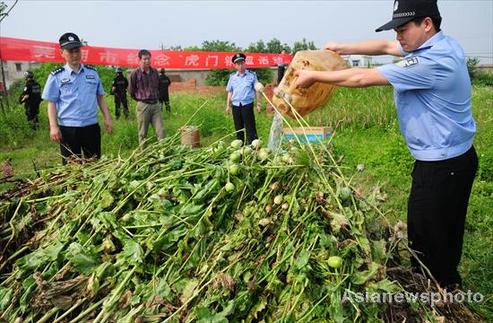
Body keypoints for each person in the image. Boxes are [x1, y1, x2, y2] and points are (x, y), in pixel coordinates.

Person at [296, 0, 478, 290]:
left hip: (441, 167)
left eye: (403, 29)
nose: (398, 37)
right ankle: (447, 283)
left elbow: (361, 77)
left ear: (426, 24)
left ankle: (434, 293)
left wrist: (314, 76)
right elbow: (383, 47)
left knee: (425, 237)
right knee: (446, 229)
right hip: (455, 159)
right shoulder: (442, 45)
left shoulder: (431, 62)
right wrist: (343, 47)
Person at [42, 32, 113, 164]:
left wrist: (107, 118)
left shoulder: (92, 73)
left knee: (94, 165)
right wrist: (53, 126)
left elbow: (100, 97)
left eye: (77, 51)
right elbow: (52, 103)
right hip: (68, 129)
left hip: (91, 126)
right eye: (70, 51)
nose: (75, 55)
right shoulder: (56, 76)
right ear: (62, 53)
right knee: (72, 168)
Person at [129, 49, 164, 145]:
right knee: (143, 133)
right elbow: (131, 91)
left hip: (156, 105)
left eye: (148, 59)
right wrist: (141, 100)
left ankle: (163, 154)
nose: (147, 61)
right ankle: (143, 155)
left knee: (161, 132)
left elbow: (159, 87)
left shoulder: (155, 72)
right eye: (144, 59)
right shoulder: (135, 74)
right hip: (143, 106)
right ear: (139, 60)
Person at [225, 53, 262, 145]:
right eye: (238, 64)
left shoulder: (252, 75)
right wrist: (227, 106)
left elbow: (257, 90)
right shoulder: (232, 77)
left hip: (247, 105)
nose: (240, 66)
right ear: (235, 66)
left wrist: (258, 104)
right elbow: (230, 92)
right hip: (236, 105)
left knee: (250, 127)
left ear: (245, 63)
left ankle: (253, 146)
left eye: (242, 63)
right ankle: (240, 147)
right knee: (238, 127)